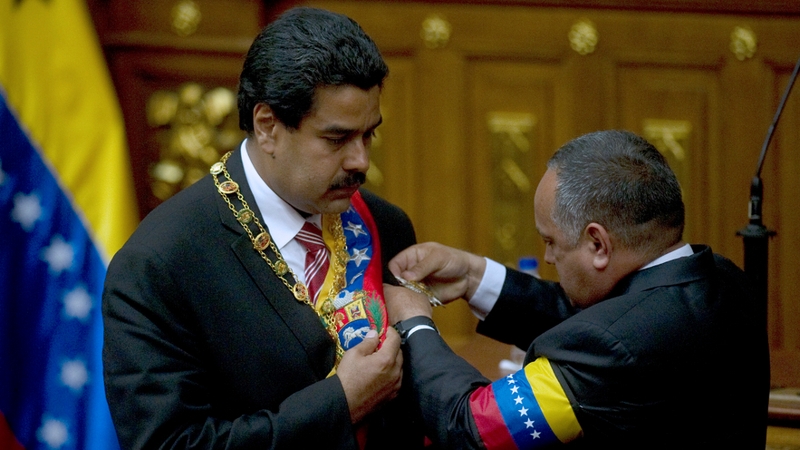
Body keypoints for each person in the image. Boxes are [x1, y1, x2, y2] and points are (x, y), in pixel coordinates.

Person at [102, 7, 425, 449]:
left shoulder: (386, 225)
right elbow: (171, 443)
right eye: (337, 139)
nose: (361, 161)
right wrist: (340, 403)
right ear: (268, 126)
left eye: (369, 135)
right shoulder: (158, 266)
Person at [384, 130, 769, 449]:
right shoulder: (725, 280)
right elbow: (606, 326)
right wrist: (473, 276)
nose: (548, 257)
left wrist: (414, 323)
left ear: (598, 244)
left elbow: (472, 428)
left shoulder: (611, 345)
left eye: (551, 241)